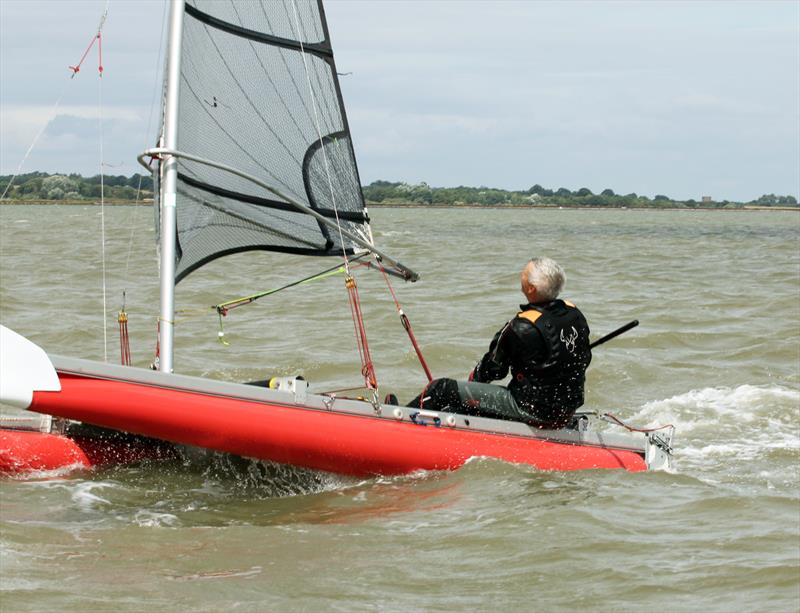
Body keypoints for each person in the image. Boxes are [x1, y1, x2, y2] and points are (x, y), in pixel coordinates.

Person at [406, 257, 591, 429]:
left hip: (531, 410)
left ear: (531, 288)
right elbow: (584, 358)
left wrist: (473, 382)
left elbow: (492, 370)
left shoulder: (521, 326)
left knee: (442, 389)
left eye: (524, 275)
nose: (521, 277)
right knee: (465, 405)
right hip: (565, 410)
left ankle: (399, 419)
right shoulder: (574, 313)